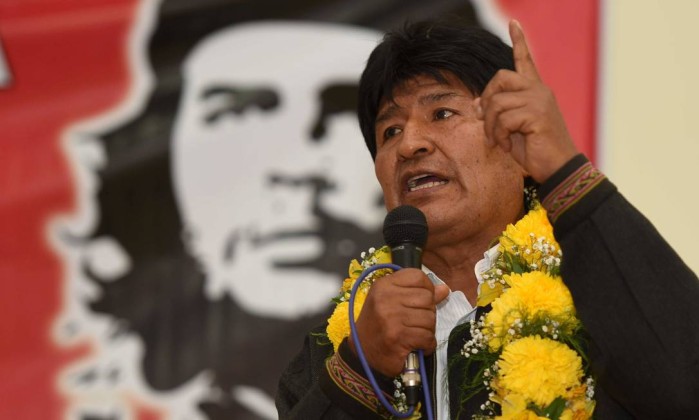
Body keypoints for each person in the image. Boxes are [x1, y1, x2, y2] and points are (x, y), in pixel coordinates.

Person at [276, 19, 699, 419]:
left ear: (515, 140)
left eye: (441, 113)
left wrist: (565, 171)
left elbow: (684, 385)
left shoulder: (596, 289)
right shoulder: (336, 348)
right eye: (390, 131)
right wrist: (361, 365)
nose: (410, 144)